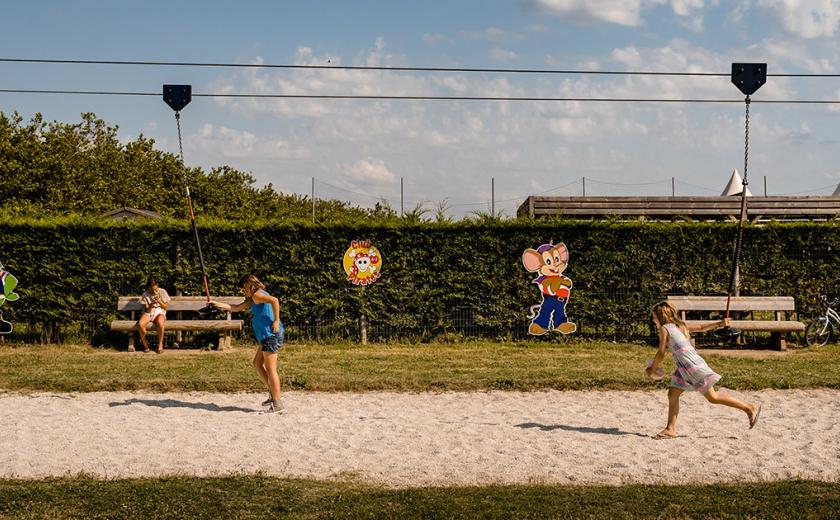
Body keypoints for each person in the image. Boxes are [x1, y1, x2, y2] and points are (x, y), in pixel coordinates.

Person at [647, 301, 761, 439]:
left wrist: (652, 368)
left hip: (692, 367)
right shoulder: (680, 326)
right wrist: (720, 323)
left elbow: (661, 352)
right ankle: (670, 429)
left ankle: (750, 408)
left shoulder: (665, 328)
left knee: (713, 397)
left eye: (654, 317)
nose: (653, 320)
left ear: (661, 316)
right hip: (684, 368)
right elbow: (701, 327)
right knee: (673, 394)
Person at [210, 274, 284, 414]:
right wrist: (217, 304)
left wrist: (275, 321)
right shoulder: (253, 298)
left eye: (243, 289)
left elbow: (275, 301)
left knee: (271, 369)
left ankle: (278, 403)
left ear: (249, 285)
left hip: (271, 335)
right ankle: (273, 394)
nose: (242, 291)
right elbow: (236, 308)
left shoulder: (257, 295)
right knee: (257, 363)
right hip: (266, 336)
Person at [138, 278, 171, 353]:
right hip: (149, 312)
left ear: (157, 286)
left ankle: (160, 344)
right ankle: (145, 344)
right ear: (148, 288)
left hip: (160, 310)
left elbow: (165, 307)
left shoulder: (162, 291)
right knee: (140, 324)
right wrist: (152, 303)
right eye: (152, 290)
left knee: (160, 322)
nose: (154, 291)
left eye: (155, 289)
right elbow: (147, 310)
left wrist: (159, 300)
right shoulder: (145, 294)